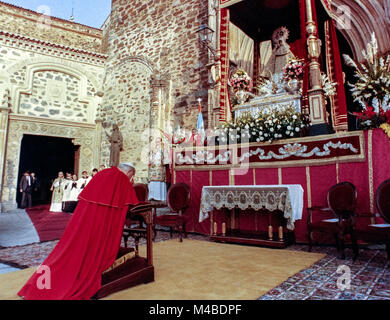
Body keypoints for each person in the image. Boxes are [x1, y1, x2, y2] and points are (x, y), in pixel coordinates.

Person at [18, 163, 139, 300]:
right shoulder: (121, 179)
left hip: (82, 221)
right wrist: (129, 185)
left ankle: (38, 286)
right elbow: (128, 205)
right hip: (98, 226)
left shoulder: (103, 173)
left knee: (67, 251)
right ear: (129, 173)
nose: (130, 179)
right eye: (131, 176)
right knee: (88, 256)